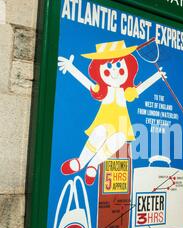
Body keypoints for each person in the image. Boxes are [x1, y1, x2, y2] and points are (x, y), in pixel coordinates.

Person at [57, 39, 166, 186]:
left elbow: (140, 89)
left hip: (121, 126)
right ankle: (80, 162)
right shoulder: (104, 91)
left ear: (128, 68)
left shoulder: (125, 92)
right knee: (100, 132)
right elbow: (86, 82)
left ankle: (93, 165)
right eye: (108, 66)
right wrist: (71, 68)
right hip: (104, 123)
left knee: (120, 139)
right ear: (99, 71)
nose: (114, 71)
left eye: (119, 66)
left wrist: (156, 76)